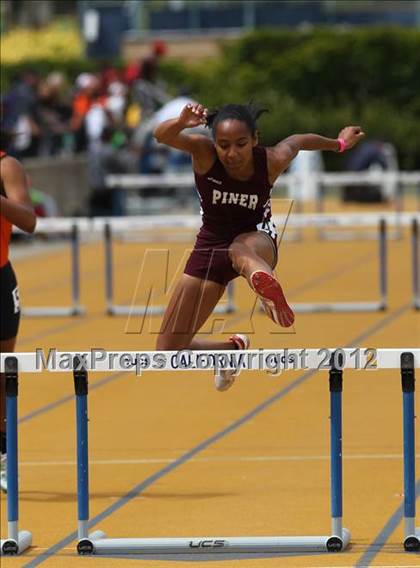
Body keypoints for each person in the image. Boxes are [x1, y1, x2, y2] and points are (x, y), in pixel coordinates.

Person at [153, 103, 364, 391]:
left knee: (239, 250)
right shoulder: (203, 153)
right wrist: (180, 122)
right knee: (166, 353)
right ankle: (230, 352)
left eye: (240, 144)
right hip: (211, 244)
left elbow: (299, 141)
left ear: (255, 139)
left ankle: (266, 288)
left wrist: (339, 144)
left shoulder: (271, 160)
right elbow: (161, 135)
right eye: (223, 145)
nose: (231, 153)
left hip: (256, 238)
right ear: (214, 143)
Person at [0, 151, 37, 492]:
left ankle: (3, 453)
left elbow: (28, 220)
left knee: (2, 372)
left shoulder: (6, 166)